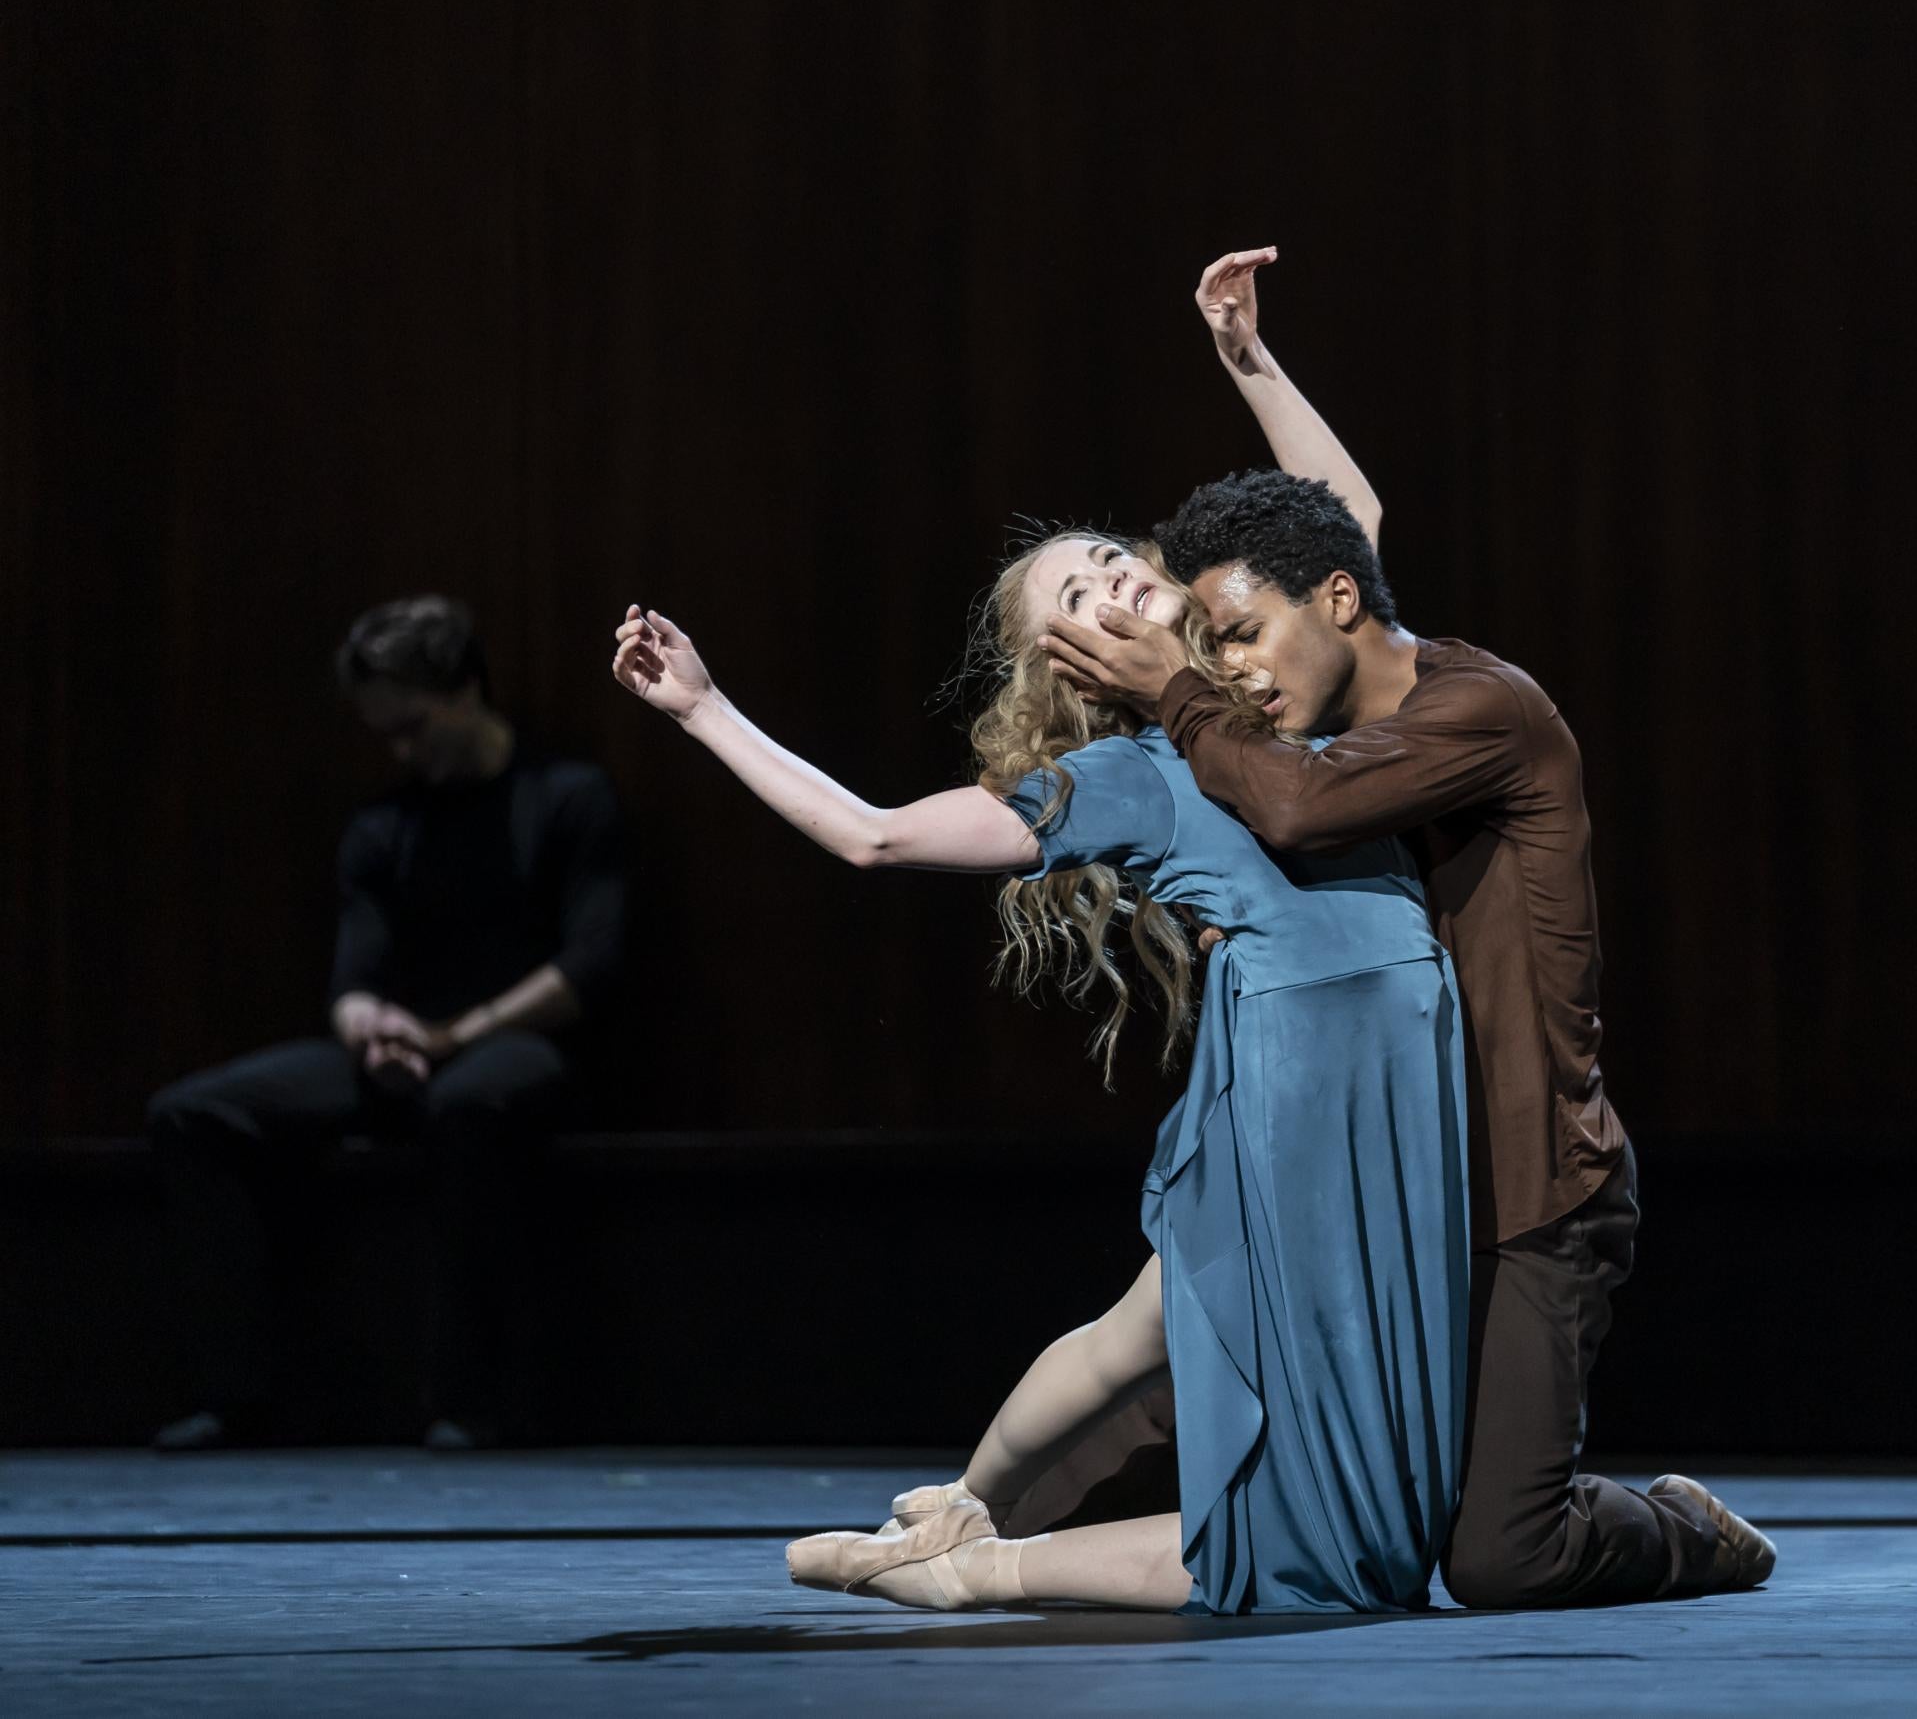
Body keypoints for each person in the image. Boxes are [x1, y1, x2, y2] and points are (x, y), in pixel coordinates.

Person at [1037, 252, 1777, 1605]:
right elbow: (1342, 533)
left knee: (1501, 1555)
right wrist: (1251, 369)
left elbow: (1302, 805)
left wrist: (1180, 700)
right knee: (1188, 1398)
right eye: (1219, 656)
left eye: (1247, 639)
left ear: (1331, 604)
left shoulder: (1478, 713)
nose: (1236, 677)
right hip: (1390, 1186)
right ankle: (959, 1529)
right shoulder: (1311, 694)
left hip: (1528, 1197)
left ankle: (1674, 1527)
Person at [608, 533, 1472, 1613]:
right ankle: (972, 1560)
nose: (1107, 575)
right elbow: (875, 839)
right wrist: (703, 709)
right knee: (1335, 1550)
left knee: (1143, 1328)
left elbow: (1347, 529)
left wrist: (1252, 363)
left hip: (1401, 1096)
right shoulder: (1133, 776)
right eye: (1074, 590)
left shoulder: (1290, 688)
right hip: (1308, 1104)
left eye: (1112, 553)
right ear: (1065, 661)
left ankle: (960, 1503)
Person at [146, 596, 627, 1451]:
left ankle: (469, 1406)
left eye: (412, 727)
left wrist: (455, 1034)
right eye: (385, 734)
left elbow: (586, 967)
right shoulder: (385, 825)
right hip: (405, 1050)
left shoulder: (565, 797)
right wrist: (369, 1026)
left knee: (470, 1104)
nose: (401, 751)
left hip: (517, 1052)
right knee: (193, 1114)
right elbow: (353, 974)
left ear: (468, 688)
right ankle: (238, 1399)